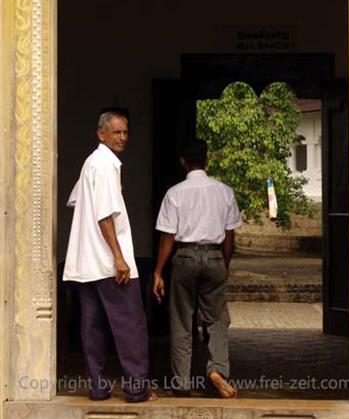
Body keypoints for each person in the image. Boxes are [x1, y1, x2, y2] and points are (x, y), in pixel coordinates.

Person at [63, 111, 156, 403]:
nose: (123, 138)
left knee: (92, 328)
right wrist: (118, 257)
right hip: (107, 264)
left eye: (126, 132)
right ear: (101, 134)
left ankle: (98, 387)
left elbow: (76, 200)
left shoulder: (91, 163)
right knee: (131, 326)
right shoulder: (105, 165)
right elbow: (105, 215)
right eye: (116, 132)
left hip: (86, 263)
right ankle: (136, 389)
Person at [153, 139, 241, 398]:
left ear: (183, 162)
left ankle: (181, 382)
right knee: (217, 320)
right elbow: (229, 235)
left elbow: (167, 237)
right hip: (213, 257)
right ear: (207, 160)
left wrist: (158, 271)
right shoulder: (224, 191)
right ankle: (218, 370)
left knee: (181, 321)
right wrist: (224, 264)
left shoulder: (175, 193)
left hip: (185, 258)